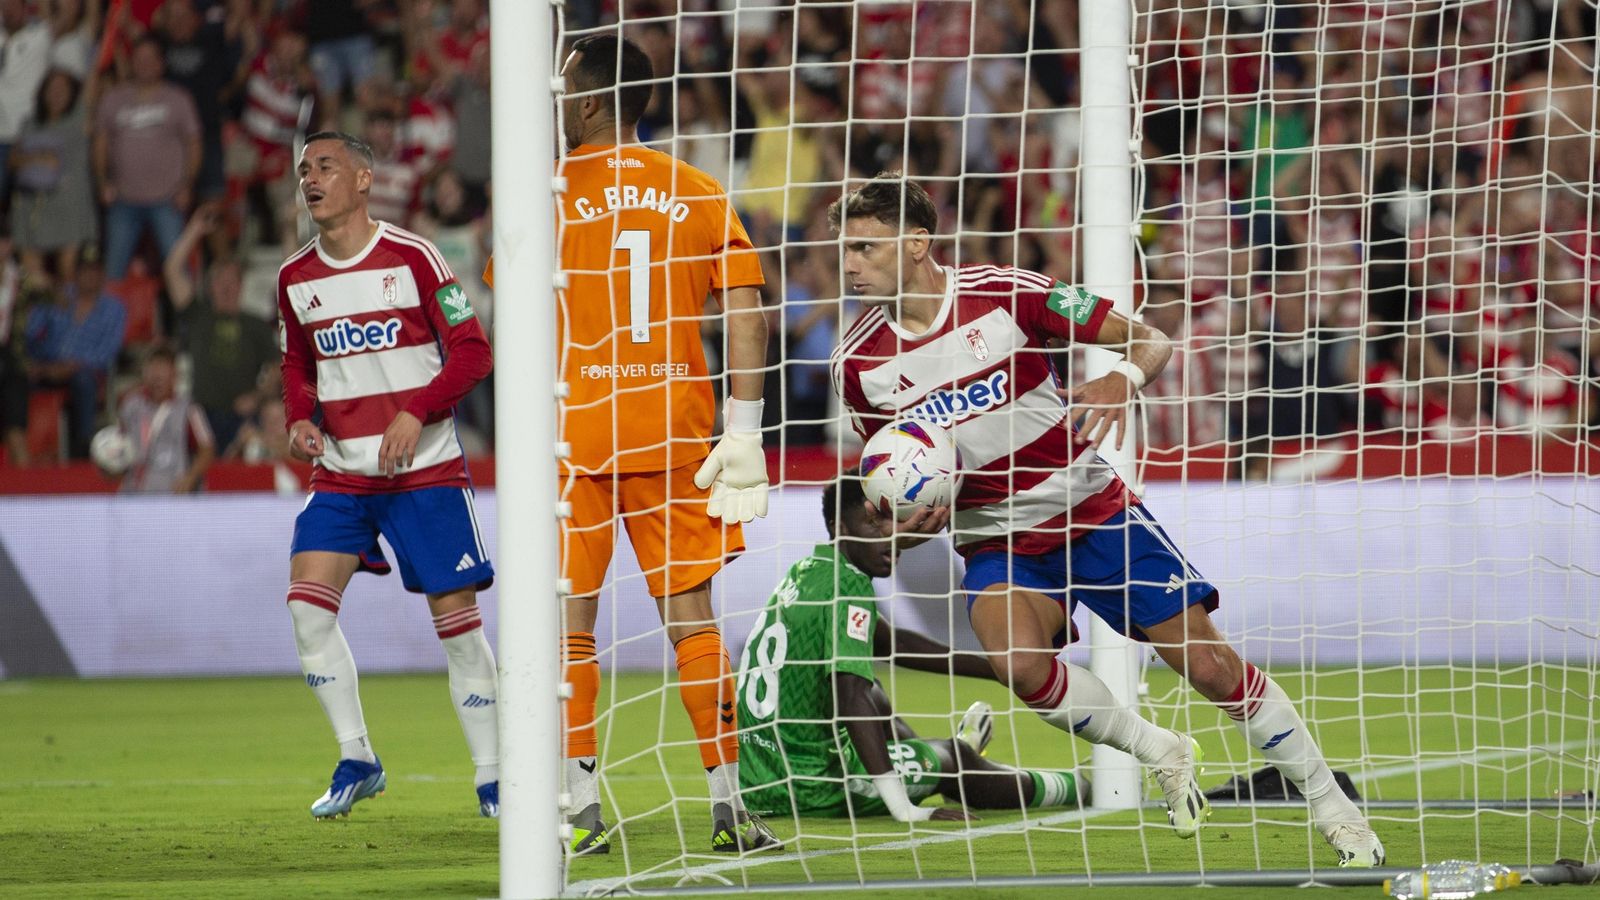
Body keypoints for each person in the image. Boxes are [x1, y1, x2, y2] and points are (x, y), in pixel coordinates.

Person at [828, 174, 1386, 867]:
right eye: (843, 249)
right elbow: (905, 477)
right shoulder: (857, 366)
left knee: (1209, 667)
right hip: (997, 536)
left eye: (863, 247)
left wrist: (1126, 374)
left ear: (916, 243)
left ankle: (1334, 805)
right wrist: (915, 523)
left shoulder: (1009, 292)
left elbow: (1149, 337)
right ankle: (1161, 749)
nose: (848, 264)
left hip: (1091, 507)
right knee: (1018, 664)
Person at [485, 34, 775, 855]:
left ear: (583, 103)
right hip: (674, 431)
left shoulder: (539, 197)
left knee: (567, 619)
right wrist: (746, 429)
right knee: (690, 617)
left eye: (558, 91)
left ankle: (577, 811)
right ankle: (729, 807)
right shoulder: (696, 188)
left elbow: (516, 318)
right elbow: (748, 307)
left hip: (573, 437)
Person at [277, 131, 499, 820]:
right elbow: (298, 366)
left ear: (365, 179)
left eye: (326, 166)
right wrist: (299, 418)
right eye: (304, 170)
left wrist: (417, 411)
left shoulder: (413, 257)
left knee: (458, 628)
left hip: (425, 471)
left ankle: (494, 778)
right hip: (343, 475)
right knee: (306, 610)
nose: (311, 178)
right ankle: (357, 756)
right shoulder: (294, 278)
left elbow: (473, 353)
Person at [736, 472, 1088, 822]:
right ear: (838, 526)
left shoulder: (809, 571)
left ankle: (927, 759)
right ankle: (1080, 786)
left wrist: (999, 669)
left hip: (758, 781)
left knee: (874, 692)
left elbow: (895, 643)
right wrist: (903, 809)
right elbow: (850, 699)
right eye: (874, 524)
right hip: (812, 786)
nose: (890, 536)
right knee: (955, 758)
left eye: (895, 523)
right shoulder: (849, 587)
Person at [165, 202, 278, 450]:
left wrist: (257, 397)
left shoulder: (255, 324)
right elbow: (172, 270)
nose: (227, 287)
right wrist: (195, 229)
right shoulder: (198, 315)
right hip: (202, 413)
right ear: (210, 286)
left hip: (245, 416)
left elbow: (276, 369)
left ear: (241, 286)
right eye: (221, 281)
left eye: (233, 281)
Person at [93, 37, 202, 280]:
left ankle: (186, 319)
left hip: (167, 199)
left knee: (178, 269)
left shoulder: (178, 99)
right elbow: (100, 144)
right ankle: (111, 319)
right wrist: (102, 182)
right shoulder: (113, 98)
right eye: (139, 59)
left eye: (149, 59)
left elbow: (194, 144)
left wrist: (187, 184)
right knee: (113, 270)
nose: (144, 64)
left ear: (160, 64)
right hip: (123, 199)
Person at [23, 253, 125, 459]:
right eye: (85, 270)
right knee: (14, 379)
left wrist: (73, 366)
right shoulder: (57, 296)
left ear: (102, 274)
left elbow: (106, 354)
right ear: (76, 274)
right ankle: (18, 448)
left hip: (83, 370)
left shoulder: (114, 309)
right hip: (46, 365)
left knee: (84, 382)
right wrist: (41, 298)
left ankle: (82, 450)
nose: (90, 276)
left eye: (95, 271)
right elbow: (30, 333)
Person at [115, 344, 214, 493]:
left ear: (175, 376)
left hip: (173, 494)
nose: (157, 381)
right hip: (135, 493)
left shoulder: (189, 409)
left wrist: (190, 478)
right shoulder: (131, 406)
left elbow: (207, 448)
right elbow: (120, 443)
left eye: (162, 376)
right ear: (144, 373)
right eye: (153, 375)